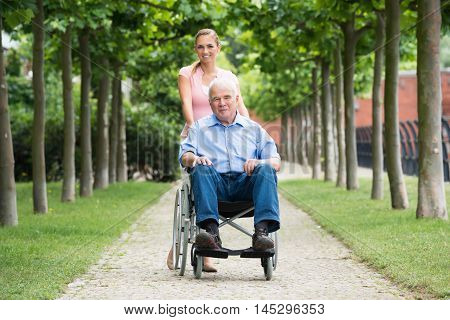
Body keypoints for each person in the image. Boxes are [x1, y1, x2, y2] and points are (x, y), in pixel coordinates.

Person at [167, 28, 250, 272]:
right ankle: (194, 250)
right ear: (196, 49)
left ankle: (207, 247)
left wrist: (251, 132)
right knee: (196, 193)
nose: (205, 51)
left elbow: (241, 107)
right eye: (200, 47)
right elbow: (186, 104)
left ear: (218, 48)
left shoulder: (228, 77)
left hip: (227, 139)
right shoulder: (187, 74)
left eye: (209, 46)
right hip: (198, 139)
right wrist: (195, 132)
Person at [179, 78, 281, 254]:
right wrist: (195, 159)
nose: (222, 103)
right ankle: (210, 233)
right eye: (216, 99)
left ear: (236, 99)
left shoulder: (254, 129)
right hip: (213, 187)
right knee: (201, 167)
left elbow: (275, 162)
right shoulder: (199, 128)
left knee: (265, 169)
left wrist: (259, 162)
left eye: (227, 97)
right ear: (210, 103)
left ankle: (261, 234)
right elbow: (184, 156)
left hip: (246, 186)